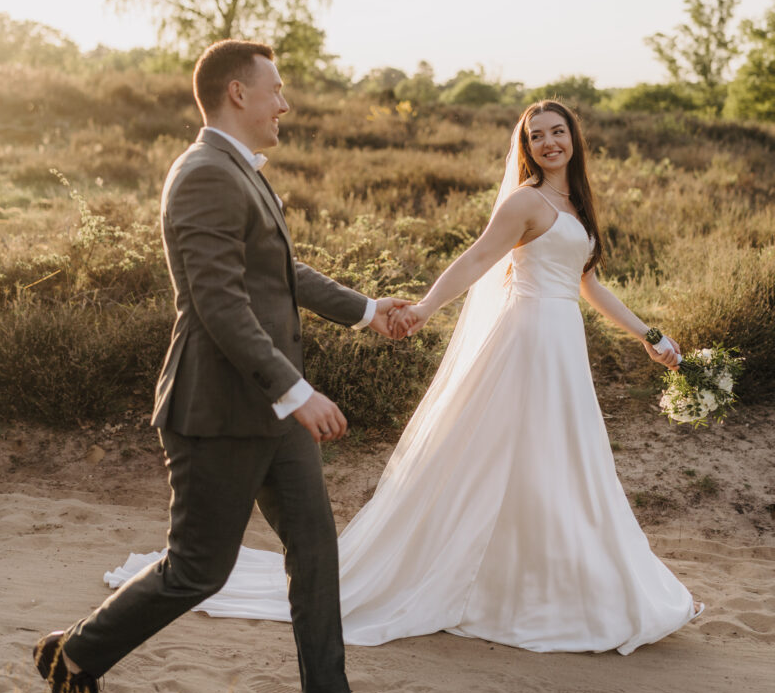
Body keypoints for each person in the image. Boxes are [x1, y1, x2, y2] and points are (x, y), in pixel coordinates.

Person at [108, 99, 701, 652]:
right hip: (526, 341)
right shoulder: (525, 201)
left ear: (574, 138)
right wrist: (421, 308)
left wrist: (650, 336)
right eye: (536, 135)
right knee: (517, 458)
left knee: (568, 459)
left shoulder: (576, 205)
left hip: (562, 344)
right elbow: (475, 259)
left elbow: (587, 283)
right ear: (525, 145)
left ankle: (560, 580)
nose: (548, 142)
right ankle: (507, 584)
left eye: (557, 132)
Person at [34, 40, 419, 693]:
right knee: (196, 570)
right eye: (276, 89)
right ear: (237, 94)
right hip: (217, 410)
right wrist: (296, 391)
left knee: (313, 545)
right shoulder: (206, 174)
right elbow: (218, 303)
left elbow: (279, 271)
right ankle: (74, 656)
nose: (285, 103)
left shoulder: (240, 172)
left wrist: (367, 311)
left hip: (270, 415)